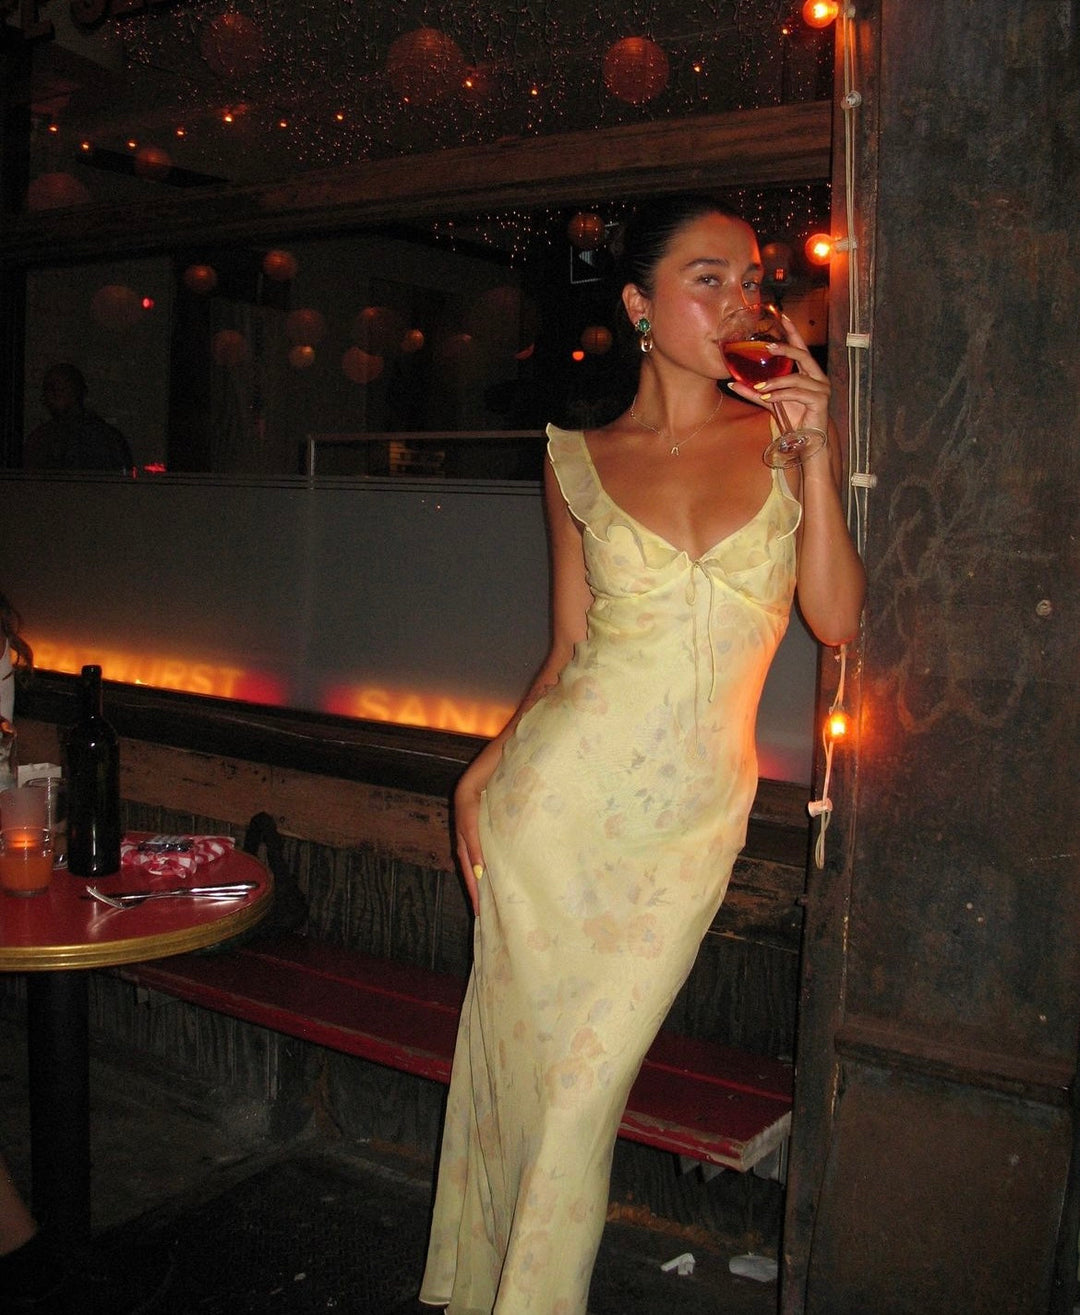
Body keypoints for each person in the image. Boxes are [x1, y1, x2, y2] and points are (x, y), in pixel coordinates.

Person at [410, 195, 866, 1315]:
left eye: (750, 281)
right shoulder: (578, 455)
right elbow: (568, 655)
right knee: (532, 1084)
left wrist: (818, 455)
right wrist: (484, 769)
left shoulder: (783, 434)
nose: (739, 301)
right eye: (706, 278)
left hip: (682, 826)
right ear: (640, 306)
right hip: (550, 810)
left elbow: (839, 620)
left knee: (576, 1090)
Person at [23, 364, 134, 473]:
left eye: (59, 388)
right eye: (48, 389)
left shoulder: (106, 438)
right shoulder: (40, 439)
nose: (52, 394)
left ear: (78, 391)